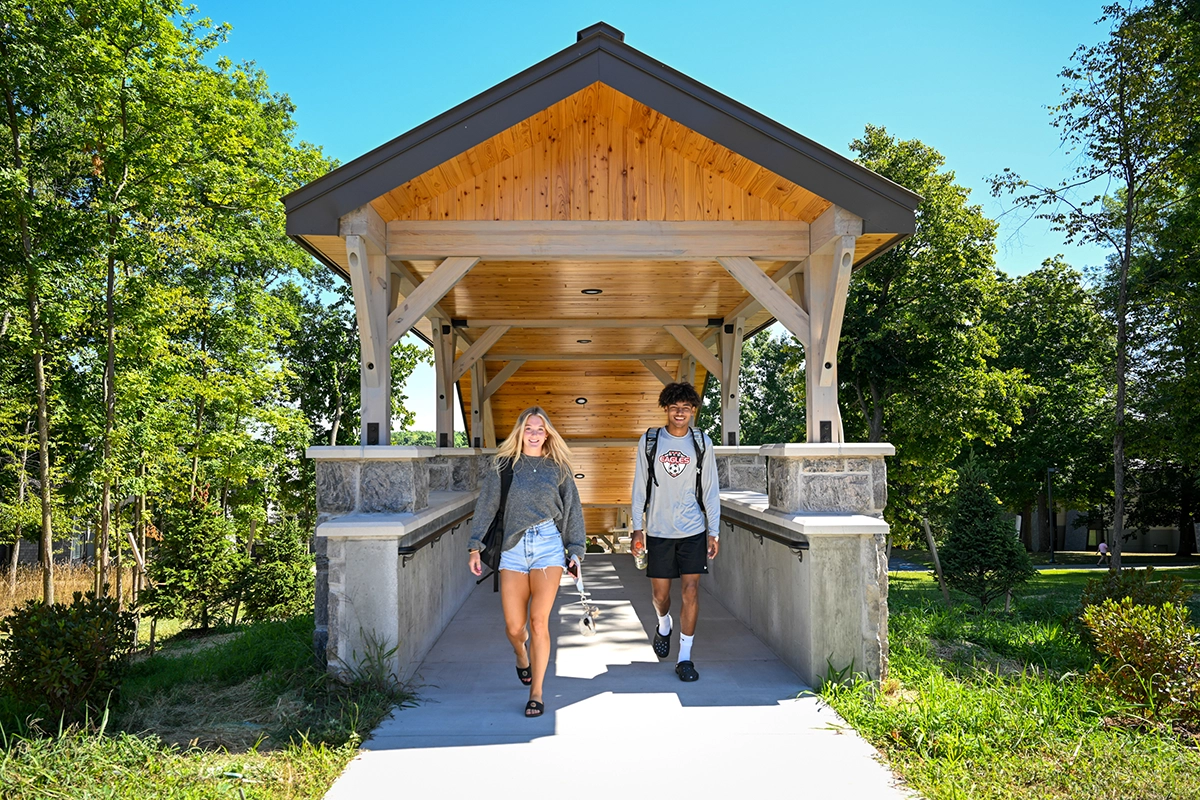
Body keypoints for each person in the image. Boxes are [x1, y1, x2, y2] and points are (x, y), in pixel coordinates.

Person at [467, 407, 585, 718]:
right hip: (513, 549)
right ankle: (522, 656)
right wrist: (474, 546)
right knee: (514, 626)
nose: (534, 433)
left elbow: (572, 511)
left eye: (540, 429)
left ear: (548, 434)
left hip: (548, 546)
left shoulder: (558, 468)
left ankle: (537, 693)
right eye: (529, 428)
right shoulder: (503, 467)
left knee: (538, 622)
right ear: (520, 431)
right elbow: (487, 507)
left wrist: (575, 551)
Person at [630, 382, 720, 682]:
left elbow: (710, 490)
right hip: (657, 530)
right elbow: (639, 486)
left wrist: (713, 530)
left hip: (692, 529)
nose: (680, 412)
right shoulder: (650, 441)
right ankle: (663, 623)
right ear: (666, 409)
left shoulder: (702, 443)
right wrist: (637, 528)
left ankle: (684, 658)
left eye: (686, 407)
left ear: (693, 410)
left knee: (691, 591)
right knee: (660, 595)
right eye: (674, 407)